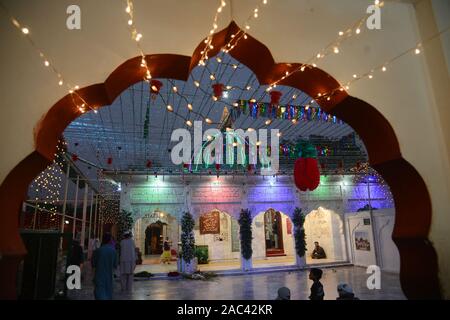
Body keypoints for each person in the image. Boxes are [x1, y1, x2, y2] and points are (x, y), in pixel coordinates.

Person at [92, 233, 118, 300]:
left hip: (99, 276)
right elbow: (115, 265)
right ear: (110, 240)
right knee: (108, 294)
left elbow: (93, 265)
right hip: (109, 277)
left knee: (99, 294)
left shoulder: (97, 251)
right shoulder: (113, 251)